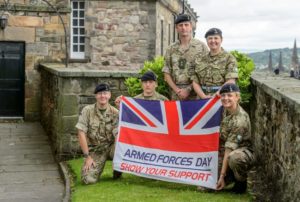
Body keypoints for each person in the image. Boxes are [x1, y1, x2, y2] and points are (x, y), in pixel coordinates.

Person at [75, 83, 121, 184]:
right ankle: (97, 167)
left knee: (121, 146)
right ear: (96, 96)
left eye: (105, 93)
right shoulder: (87, 111)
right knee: (87, 180)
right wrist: (87, 156)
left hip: (111, 148)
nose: (102, 96)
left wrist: (117, 158)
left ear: (109, 95)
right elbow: (81, 132)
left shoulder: (115, 113)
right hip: (96, 150)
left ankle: (118, 169)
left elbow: (118, 136)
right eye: (100, 93)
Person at [216, 83, 255, 193]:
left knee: (234, 158)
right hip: (224, 152)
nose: (226, 98)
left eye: (229, 95)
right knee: (206, 186)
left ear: (237, 97)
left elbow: (229, 149)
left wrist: (222, 176)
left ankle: (240, 183)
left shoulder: (240, 119)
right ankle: (230, 177)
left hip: (241, 153)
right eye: (223, 96)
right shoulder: (223, 110)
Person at [162, 13, 208, 100]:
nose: (183, 28)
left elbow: (205, 71)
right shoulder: (171, 48)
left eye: (186, 25)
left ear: (191, 26)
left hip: (196, 94)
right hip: (176, 95)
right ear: (176, 28)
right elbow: (166, 72)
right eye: (180, 25)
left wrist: (188, 89)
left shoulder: (201, 47)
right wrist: (177, 90)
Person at [191, 28, 238, 99]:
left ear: (221, 40)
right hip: (202, 99)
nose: (213, 41)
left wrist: (217, 95)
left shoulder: (229, 58)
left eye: (216, 38)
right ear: (206, 41)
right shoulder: (199, 59)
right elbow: (195, 81)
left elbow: (231, 80)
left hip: (222, 98)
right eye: (210, 38)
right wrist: (203, 96)